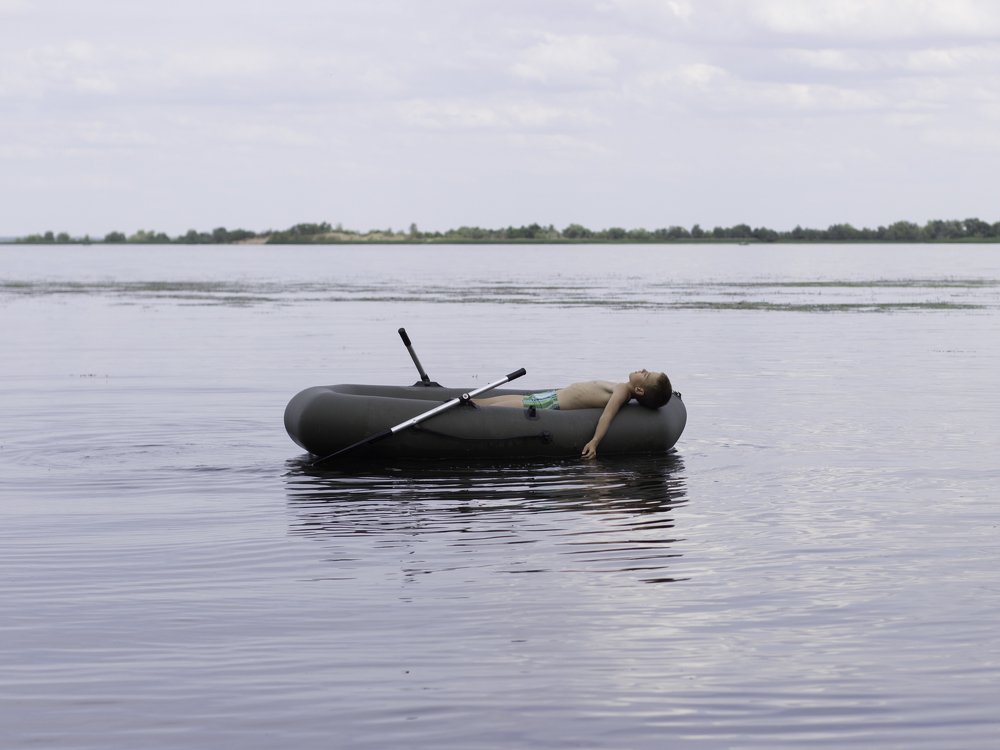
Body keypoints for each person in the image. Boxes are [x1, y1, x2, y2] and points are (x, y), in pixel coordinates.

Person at [475, 369, 672, 459]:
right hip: (553, 396)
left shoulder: (622, 392)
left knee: (501, 407)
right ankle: (470, 404)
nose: (643, 369)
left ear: (639, 390)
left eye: (645, 375)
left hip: (551, 404)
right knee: (502, 400)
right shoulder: (623, 389)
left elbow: (607, 416)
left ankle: (471, 412)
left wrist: (594, 441)